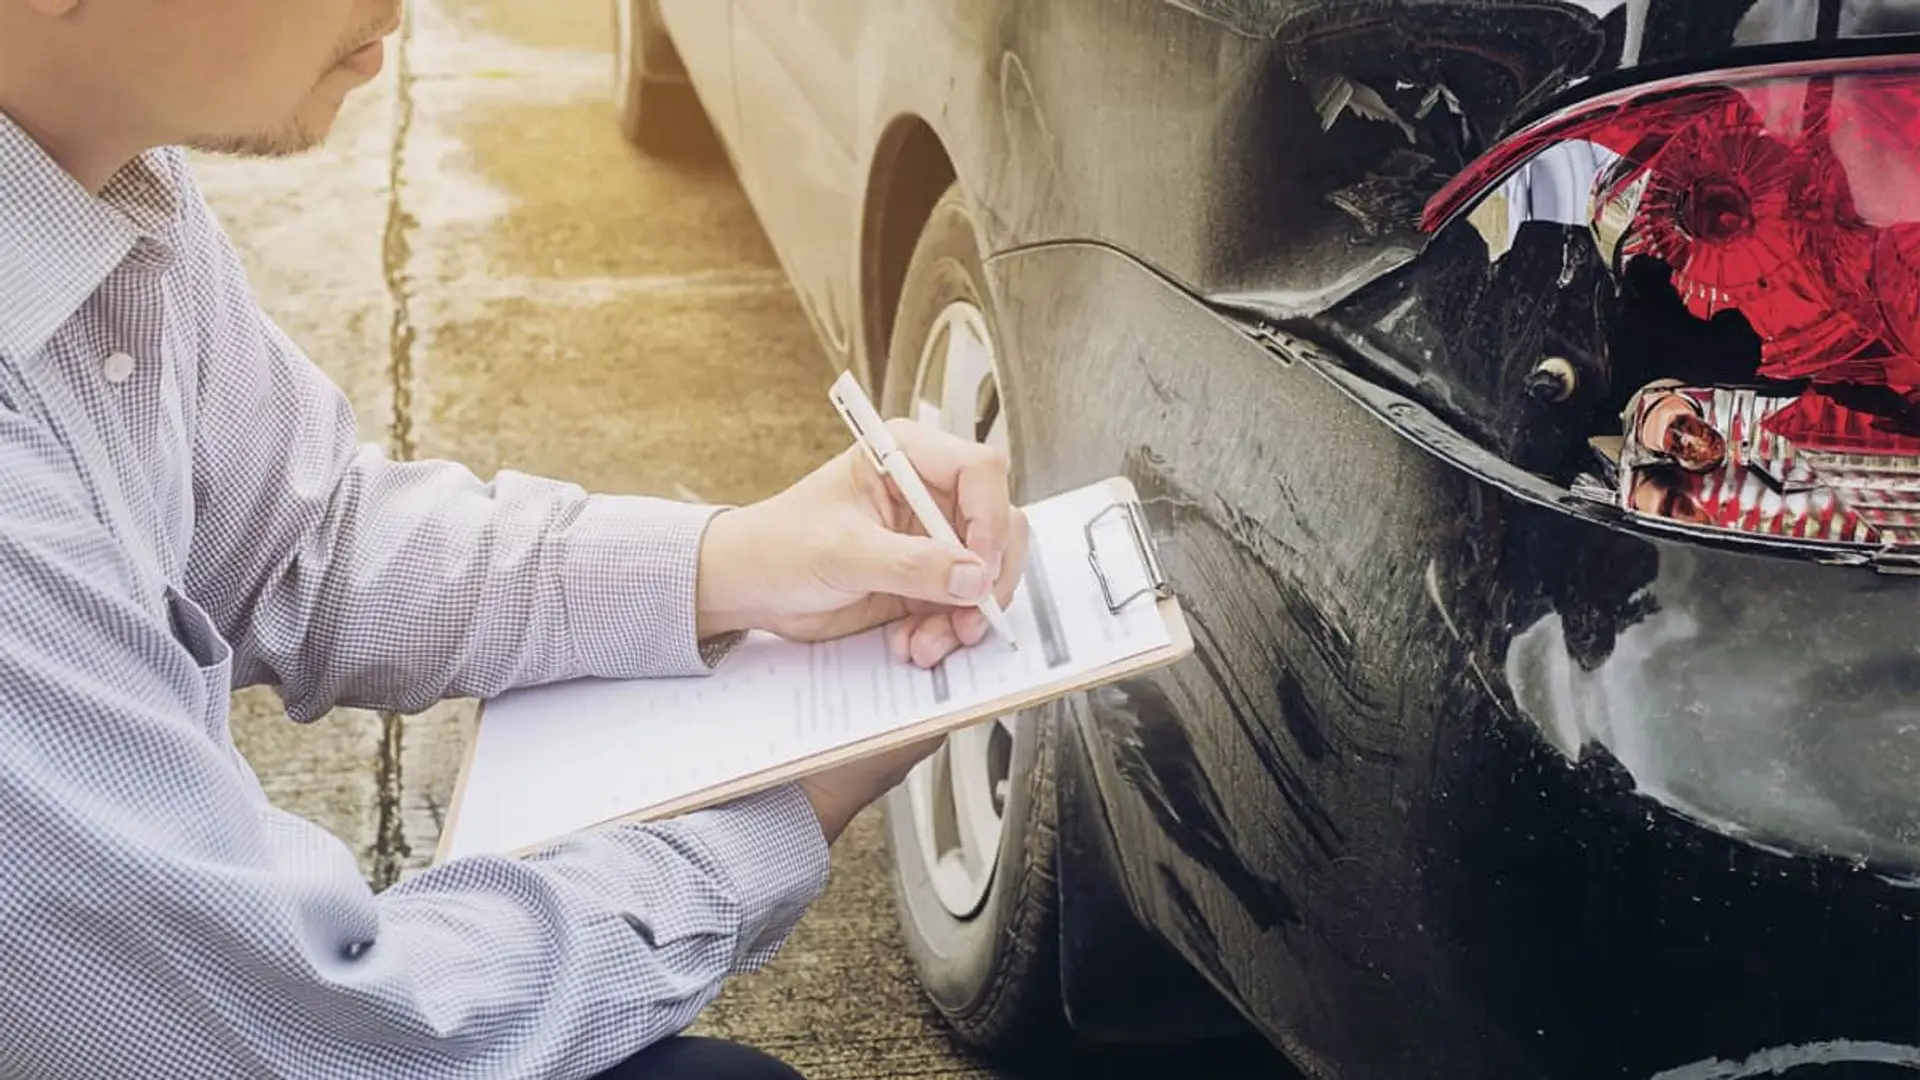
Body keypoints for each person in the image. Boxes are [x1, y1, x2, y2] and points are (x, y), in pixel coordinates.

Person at [0, 1, 1030, 1077]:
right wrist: (777, 812)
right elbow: (337, 1034)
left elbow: (307, 540)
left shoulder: (108, 179)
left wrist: (738, 563)